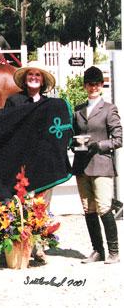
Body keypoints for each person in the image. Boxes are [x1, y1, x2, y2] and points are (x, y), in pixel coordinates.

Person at [4, 61, 56, 263]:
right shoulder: (13, 101)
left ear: (42, 80)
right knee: (20, 204)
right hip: (20, 162)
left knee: (41, 204)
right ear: (25, 79)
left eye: (38, 75)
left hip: (43, 162)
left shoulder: (50, 105)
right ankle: (17, 246)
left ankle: (39, 247)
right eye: (30, 74)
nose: (34, 77)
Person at [72, 66, 121, 264]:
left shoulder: (109, 109)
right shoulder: (77, 110)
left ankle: (114, 251)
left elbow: (118, 139)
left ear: (101, 85)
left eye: (97, 84)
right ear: (85, 86)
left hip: (101, 164)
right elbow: (72, 135)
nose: (93, 87)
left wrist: (99, 145)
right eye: (89, 84)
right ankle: (97, 250)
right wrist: (74, 145)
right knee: (88, 208)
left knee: (103, 207)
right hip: (82, 165)